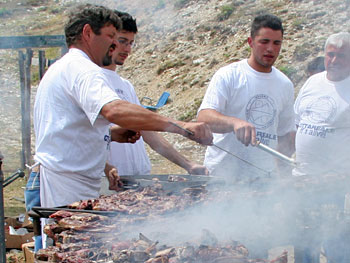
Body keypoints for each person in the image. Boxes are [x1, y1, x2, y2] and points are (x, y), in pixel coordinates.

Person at [33, 4, 212, 210]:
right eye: (111, 36)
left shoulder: (65, 67)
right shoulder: (81, 68)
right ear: (88, 33)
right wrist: (181, 125)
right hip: (70, 185)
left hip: (72, 181)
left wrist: (111, 134)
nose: (113, 45)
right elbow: (114, 110)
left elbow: (69, 127)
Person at [103, 11, 208, 176]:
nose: (127, 49)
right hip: (108, 181)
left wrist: (188, 164)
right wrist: (106, 167)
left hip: (137, 179)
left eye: (131, 43)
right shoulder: (90, 81)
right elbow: (81, 139)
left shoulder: (125, 85)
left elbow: (149, 133)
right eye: (122, 41)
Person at [197, 14, 295, 181]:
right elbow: (204, 117)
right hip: (223, 176)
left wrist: (281, 175)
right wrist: (234, 123)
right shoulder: (229, 75)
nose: (270, 49)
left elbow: (286, 135)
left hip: (263, 180)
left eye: (276, 43)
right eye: (264, 42)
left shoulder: (285, 84)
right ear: (250, 42)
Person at [294, 32, 350, 263]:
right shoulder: (312, 81)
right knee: (304, 246)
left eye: (342, 56)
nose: (334, 61)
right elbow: (297, 123)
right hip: (300, 181)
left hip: (333, 186)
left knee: (336, 247)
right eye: (331, 55)